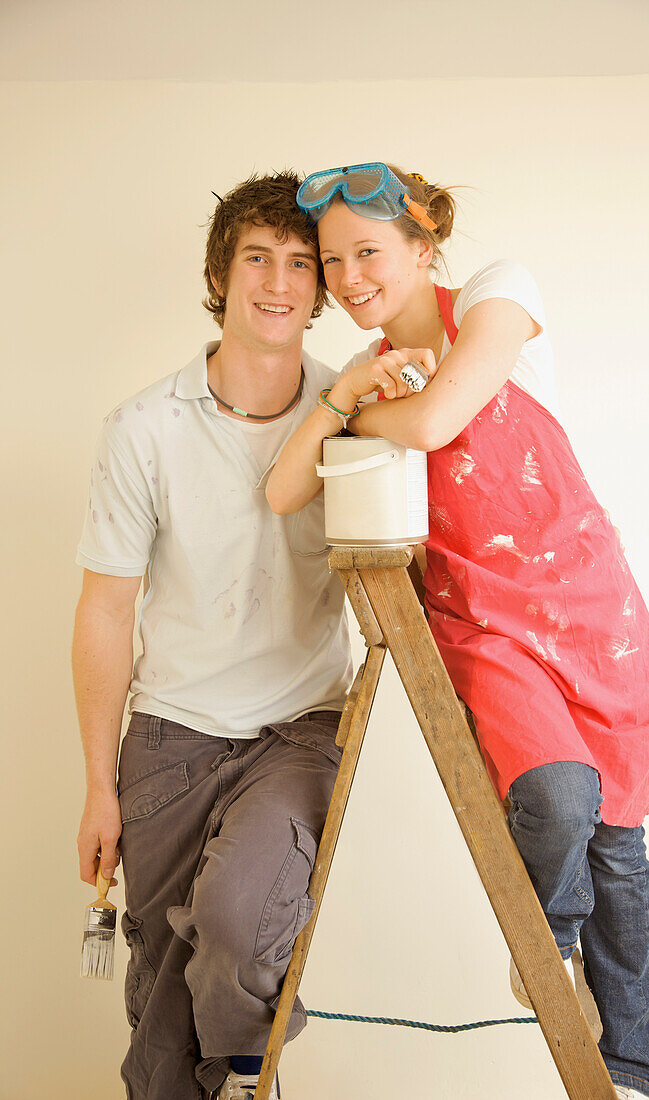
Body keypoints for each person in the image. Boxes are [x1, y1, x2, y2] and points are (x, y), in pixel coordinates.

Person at [266, 162, 649, 1100]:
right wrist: (348, 394)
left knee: (620, 845)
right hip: (483, 625)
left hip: (592, 612)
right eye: (332, 261)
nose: (349, 276)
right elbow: (284, 490)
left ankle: (630, 1074)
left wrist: (366, 410)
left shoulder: (497, 295)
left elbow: (445, 416)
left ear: (424, 247)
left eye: (369, 250)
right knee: (564, 801)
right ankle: (546, 942)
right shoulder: (357, 379)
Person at [73, 170, 353, 1100]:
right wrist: (95, 785)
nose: (277, 282)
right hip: (168, 737)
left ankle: (238, 1074)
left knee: (238, 925)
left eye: (299, 263)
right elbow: (106, 610)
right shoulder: (142, 429)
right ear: (220, 274)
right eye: (257, 259)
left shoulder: (353, 411)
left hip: (299, 728)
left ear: (319, 289)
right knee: (158, 994)